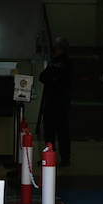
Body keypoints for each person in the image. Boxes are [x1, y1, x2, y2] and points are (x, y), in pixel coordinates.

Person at [38, 36, 74, 167]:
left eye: (57, 48)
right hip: (51, 101)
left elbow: (60, 80)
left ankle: (65, 158)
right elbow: (43, 77)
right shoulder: (54, 62)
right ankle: (49, 156)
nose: (55, 50)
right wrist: (52, 78)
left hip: (61, 102)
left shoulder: (66, 63)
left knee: (62, 132)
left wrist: (52, 78)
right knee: (49, 132)